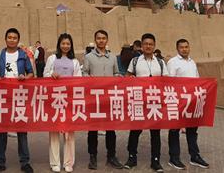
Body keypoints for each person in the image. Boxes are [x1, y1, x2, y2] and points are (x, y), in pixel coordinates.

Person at [0, 27, 35, 173]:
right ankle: (0, 161)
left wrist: (24, 77)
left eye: (14, 38)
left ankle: (25, 162)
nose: (12, 40)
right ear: (5, 39)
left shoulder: (23, 55)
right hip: (3, 95)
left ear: (18, 40)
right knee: (2, 130)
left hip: (19, 95)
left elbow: (31, 73)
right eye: (9, 37)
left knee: (21, 130)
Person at [124, 33, 168, 172]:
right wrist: (130, 79)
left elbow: (166, 80)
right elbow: (127, 76)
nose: (148, 46)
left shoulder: (160, 62)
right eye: (145, 44)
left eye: (151, 44)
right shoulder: (135, 61)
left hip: (155, 102)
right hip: (139, 101)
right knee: (135, 131)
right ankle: (132, 157)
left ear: (154, 46)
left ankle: (155, 160)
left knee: (155, 133)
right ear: (141, 46)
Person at [82, 30, 124, 170]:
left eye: (103, 38)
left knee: (111, 129)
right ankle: (92, 156)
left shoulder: (112, 57)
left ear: (107, 40)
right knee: (92, 129)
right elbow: (84, 73)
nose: (101, 40)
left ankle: (111, 156)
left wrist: (120, 77)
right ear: (95, 40)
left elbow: (116, 72)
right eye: (99, 38)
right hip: (94, 98)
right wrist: (91, 80)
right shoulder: (88, 57)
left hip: (109, 98)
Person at [166, 39, 210, 170]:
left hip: (191, 101)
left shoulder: (192, 62)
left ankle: (194, 156)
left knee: (192, 130)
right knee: (174, 130)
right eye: (182, 47)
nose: (184, 49)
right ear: (177, 48)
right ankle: (174, 158)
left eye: (186, 47)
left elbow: (197, 81)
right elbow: (170, 82)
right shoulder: (172, 62)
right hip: (178, 101)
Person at [44, 33, 82, 172]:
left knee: (69, 132)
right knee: (54, 132)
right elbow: (44, 74)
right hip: (54, 99)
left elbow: (79, 79)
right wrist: (51, 75)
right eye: (63, 43)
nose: (65, 46)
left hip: (69, 100)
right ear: (59, 44)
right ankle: (55, 162)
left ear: (71, 45)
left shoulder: (75, 61)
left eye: (68, 44)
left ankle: (68, 162)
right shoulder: (52, 58)